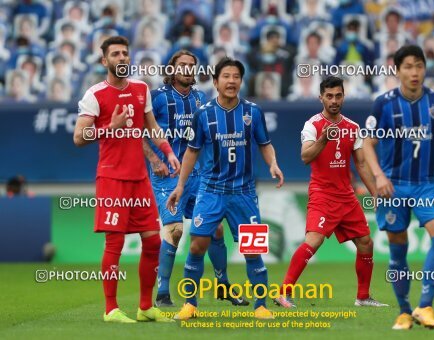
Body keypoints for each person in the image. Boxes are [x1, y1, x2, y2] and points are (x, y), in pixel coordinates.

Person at [168, 57, 284, 320]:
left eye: (236, 77)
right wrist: (181, 186)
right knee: (197, 245)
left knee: (252, 250)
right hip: (210, 192)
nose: (231, 81)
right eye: (226, 76)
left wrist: (273, 165)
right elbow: (191, 153)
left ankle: (261, 306)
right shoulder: (203, 115)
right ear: (215, 81)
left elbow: (265, 143)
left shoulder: (253, 112)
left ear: (241, 81)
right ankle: (190, 305)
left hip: (243, 193)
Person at [73, 36, 179, 323]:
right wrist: (110, 126)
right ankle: (110, 309)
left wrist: (167, 152)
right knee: (114, 244)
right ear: (104, 61)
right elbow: (78, 137)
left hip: (139, 179)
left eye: (125, 53)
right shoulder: (94, 95)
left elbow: (152, 127)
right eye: (115, 54)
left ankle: (145, 307)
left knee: (153, 242)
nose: (122, 58)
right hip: (112, 179)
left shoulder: (141, 89)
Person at [363, 45, 434, 330]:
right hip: (393, 188)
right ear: (397, 70)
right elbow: (367, 142)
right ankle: (404, 311)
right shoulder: (383, 103)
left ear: (425, 68)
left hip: (426, 185)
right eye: (408, 66)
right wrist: (379, 176)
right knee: (398, 250)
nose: (414, 72)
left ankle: (425, 305)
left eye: (419, 65)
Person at [143, 50, 249, 307]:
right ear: (171, 69)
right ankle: (163, 292)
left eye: (192, 66)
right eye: (182, 65)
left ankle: (223, 286)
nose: (188, 70)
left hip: (197, 176)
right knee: (175, 230)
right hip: (167, 175)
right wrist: (155, 159)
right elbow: (136, 131)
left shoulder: (201, 98)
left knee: (215, 228)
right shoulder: (157, 98)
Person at [273, 76, 387, 309]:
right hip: (322, 194)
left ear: (343, 96)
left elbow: (362, 164)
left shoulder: (353, 127)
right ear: (321, 98)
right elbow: (305, 157)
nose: (334, 100)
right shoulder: (312, 125)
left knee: (366, 243)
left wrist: (375, 194)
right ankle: (283, 293)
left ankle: (363, 297)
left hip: (346, 196)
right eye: (329, 96)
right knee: (313, 241)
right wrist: (323, 139)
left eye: (338, 96)